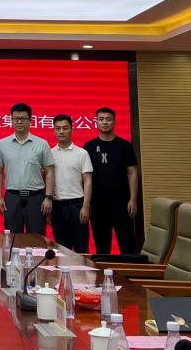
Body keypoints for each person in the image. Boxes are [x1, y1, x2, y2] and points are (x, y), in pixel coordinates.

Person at [84, 107, 140, 254]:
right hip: (97, 204)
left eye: (108, 119)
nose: (104, 122)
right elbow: (85, 178)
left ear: (114, 122)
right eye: (101, 119)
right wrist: (86, 204)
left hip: (122, 203)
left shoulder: (125, 146)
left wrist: (133, 199)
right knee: (102, 248)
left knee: (127, 245)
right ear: (96, 122)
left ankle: (129, 269)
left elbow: (132, 173)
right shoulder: (89, 147)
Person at [0, 103, 55, 235]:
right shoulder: (2, 144)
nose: (19, 122)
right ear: (11, 120)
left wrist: (48, 197)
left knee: (37, 238)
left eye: (23, 118)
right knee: (13, 238)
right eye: (16, 118)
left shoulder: (42, 144)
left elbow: (49, 171)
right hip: (12, 197)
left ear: (30, 120)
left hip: (36, 198)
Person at [49, 114, 93, 252]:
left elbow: (88, 181)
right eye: (58, 128)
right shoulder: (49, 154)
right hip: (57, 206)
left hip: (77, 206)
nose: (61, 131)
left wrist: (86, 206)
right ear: (54, 131)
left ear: (72, 129)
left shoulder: (82, 153)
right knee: (62, 250)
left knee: (81, 249)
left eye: (65, 128)